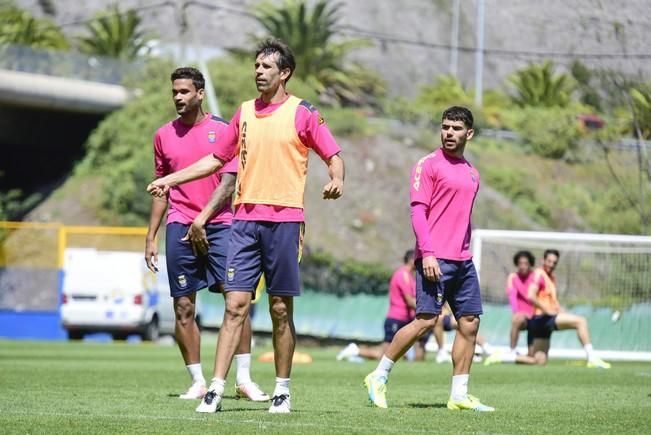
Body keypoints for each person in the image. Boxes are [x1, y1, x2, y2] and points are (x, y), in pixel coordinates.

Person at [147, 39, 345, 414]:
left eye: (266, 67)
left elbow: (333, 155)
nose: (258, 72)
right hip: (244, 222)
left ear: (283, 72)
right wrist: (171, 181)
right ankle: (215, 389)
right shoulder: (243, 113)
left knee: (280, 309)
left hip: (285, 221)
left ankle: (282, 389)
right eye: (256, 66)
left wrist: (336, 179)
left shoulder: (303, 112)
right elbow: (214, 161)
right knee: (234, 305)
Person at [145, 67, 268, 401]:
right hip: (180, 225)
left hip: (221, 224)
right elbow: (162, 189)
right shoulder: (162, 136)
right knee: (183, 307)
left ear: (200, 93)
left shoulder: (223, 129)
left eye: (185, 92)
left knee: (236, 300)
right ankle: (198, 382)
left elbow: (229, 182)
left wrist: (204, 217)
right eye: (175, 92)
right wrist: (151, 235)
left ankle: (243, 379)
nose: (178, 98)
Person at [363, 106, 494, 412]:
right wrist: (428, 253)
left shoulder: (472, 173)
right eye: (445, 126)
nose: (449, 132)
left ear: (469, 134)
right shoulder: (428, 164)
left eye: (456, 128)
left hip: (463, 260)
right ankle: (378, 376)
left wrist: (463, 254)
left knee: (470, 323)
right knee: (425, 322)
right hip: (435, 258)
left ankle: (459, 394)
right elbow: (418, 212)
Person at [484, 249, 611, 368]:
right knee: (580, 321)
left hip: (543, 322)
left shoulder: (550, 278)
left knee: (539, 361)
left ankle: (503, 357)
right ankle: (592, 357)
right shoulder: (539, 274)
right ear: (543, 261)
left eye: (554, 262)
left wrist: (560, 310)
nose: (551, 264)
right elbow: (530, 295)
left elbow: (552, 302)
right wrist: (546, 310)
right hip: (543, 318)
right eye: (549, 261)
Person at [337, 250, 431, 362]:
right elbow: (410, 301)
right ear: (411, 260)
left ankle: (356, 350)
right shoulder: (402, 275)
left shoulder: (410, 277)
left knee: (403, 353)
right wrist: (429, 309)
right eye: (418, 259)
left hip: (406, 319)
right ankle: (355, 350)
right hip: (396, 319)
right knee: (384, 355)